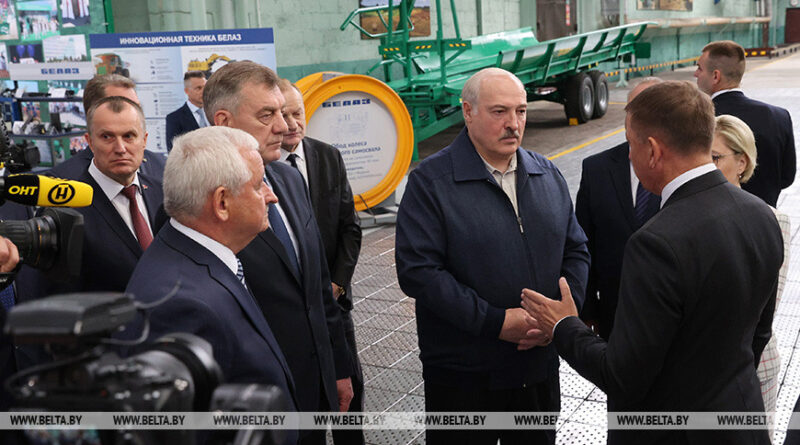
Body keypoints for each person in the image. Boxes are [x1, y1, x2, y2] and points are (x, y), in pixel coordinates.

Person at [522, 81, 782, 445]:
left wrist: (563, 325)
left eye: (631, 143)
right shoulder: (761, 214)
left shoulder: (656, 242)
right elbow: (758, 334)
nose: (628, 155)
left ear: (653, 150)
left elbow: (622, 376)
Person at [395, 67, 589, 445]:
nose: (513, 123)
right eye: (499, 111)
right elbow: (418, 271)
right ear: (467, 112)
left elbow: (576, 249)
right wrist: (495, 322)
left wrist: (561, 315)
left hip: (536, 368)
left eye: (521, 111)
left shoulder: (547, 175)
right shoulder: (431, 183)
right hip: (464, 375)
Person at [204, 61, 353, 445]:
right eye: (266, 115)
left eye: (283, 113)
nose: (284, 127)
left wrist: (337, 368)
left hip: (314, 389)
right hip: (256, 402)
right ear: (224, 121)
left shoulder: (288, 178)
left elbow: (317, 286)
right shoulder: (198, 204)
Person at [123, 126, 298, 445]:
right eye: (258, 185)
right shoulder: (179, 305)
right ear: (222, 203)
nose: (270, 195)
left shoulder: (190, 256)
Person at [277, 78, 364, 445]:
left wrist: (336, 285)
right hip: (291, 313)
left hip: (333, 303)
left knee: (350, 399)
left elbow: (350, 228)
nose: (291, 123)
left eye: (297, 113)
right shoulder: (261, 170)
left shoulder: (328, 156)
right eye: (282, 115)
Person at [713, 114, 790, 428]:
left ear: (741, 163)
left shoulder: (773, 219)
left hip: (754, 366)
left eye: (715, 158)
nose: (705, 166)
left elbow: (765, 307)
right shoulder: (685, 214)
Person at [576, 77, 662, 340]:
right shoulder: (596, 169)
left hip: (669, 315)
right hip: (613, 316)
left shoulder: (682, 170)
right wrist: (587, 309)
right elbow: (582, 244)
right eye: (634, 111)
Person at [694, 40, 796, 206]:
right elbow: (787, 177)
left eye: (699, 68)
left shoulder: (699, 119)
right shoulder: (779, 116)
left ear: (716, 76)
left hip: (715, 214)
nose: (695, 74)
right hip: (766, 214)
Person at [50, 73, 164, 179]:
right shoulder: (62, 181)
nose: (121, 148)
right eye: (119, 105)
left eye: (136, 106)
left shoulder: (161, 165)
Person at [165, 71, 208, 151]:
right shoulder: (174, 118)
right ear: (187, 91)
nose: (204, 92)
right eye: (198, 88)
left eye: (205, 87)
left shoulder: (214, 113)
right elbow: (173, 151)